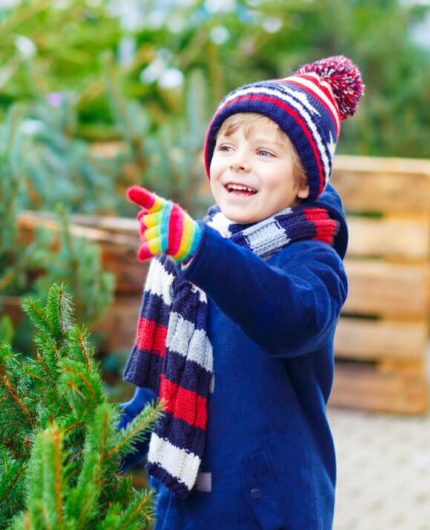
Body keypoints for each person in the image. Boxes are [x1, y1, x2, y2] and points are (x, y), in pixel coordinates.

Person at [118, 56, 364, 529]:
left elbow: (288, 320)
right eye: (226, 147)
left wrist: (200, 251)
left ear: (306, 182)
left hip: (269, 511)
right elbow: (155, 403)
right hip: (183, 507)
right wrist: (79, 448)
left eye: (265, 154)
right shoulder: (188, 262)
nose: (239, 162)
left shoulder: (311, 261)